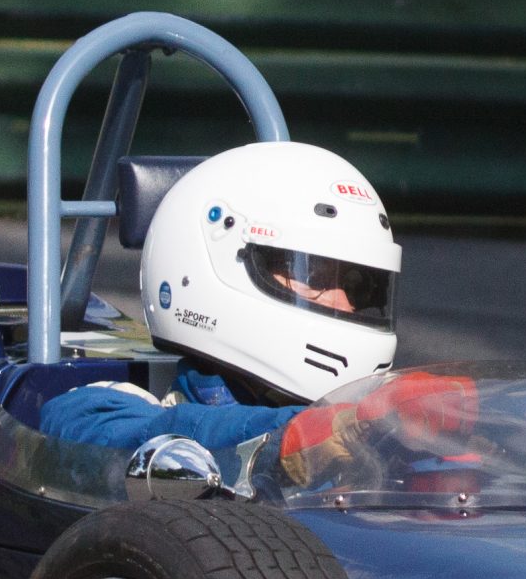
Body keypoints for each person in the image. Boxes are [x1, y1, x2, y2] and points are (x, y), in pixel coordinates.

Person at [36, 141, 405, 454]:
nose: (345, 304)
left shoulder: (375, 429)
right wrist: (303, 432)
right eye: (314, 278)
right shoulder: (106, 407)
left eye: (357, 288)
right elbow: (83, 425)